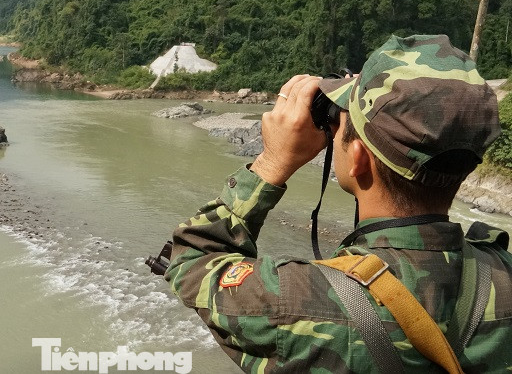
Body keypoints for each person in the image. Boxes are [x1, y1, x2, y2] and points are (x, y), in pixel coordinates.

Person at [165, 34, 512, 372]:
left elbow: (192, 258)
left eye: (339, 120)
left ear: (358, 157)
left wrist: (272, 163)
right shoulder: (503, 272)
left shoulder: (294, 300)